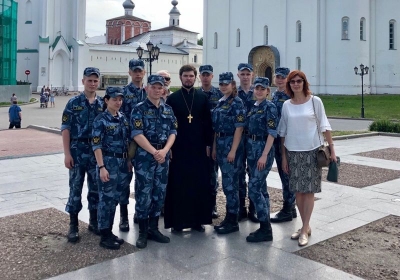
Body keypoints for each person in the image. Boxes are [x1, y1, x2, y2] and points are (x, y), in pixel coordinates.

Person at [278, 70, 337, 246]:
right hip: (293, 151)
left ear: (304, 83)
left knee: (309, 191)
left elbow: (325, 125)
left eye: (299, 81)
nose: (296, 84)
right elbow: (283, 132)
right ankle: (305, 226)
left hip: (312, 151)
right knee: (298, 191)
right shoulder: (287, 105)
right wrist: (283, 157)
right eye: (293, 82)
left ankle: (304, 228)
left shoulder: (314, 101)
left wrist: (332, 149)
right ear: (289, 85)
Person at [164, 65, 213, 232]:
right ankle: (178, 222)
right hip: (178, 148)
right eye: (185, 76)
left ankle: (197, 221)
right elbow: (169, 124)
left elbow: (208, 123)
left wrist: (208, 144)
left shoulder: (202, 97)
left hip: (199, 148)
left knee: (198, 183)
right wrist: (168, 147)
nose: (188, 79)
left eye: (191, 76)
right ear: (180, 77)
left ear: (195, 77)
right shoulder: (173, 99)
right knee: (178, 184)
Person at [130, 75, 177, 248]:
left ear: (164, 90)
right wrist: (154, 151)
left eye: (160, 87)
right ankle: (143, 232)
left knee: (159, 193)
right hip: (145, 157)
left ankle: (153, 228)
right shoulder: (139, 109)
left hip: (163, 156)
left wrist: (164, 151)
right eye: (154, 87)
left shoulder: (168, 110)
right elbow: (136, 133)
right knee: (144, 193)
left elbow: (173, 131)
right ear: (147, 88)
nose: (157, 90)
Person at [61, 67, 104, 243]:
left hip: (95, 153)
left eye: (95, 80)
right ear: (83, 81)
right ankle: (73, 226)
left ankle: (93, 222)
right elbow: (65, 129)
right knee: (75, 188)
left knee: (95, 189)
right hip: (77, 151)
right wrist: (67, 154)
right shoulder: (73, 103)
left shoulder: (102, 104)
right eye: (89, 80)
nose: (92, 83)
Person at [92, 87, 130, 250]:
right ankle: (104, 234)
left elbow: (127, 141)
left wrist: (128, 160)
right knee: (105, 200)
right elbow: (96, 144)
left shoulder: (123, 118)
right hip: (107, 163)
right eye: (114, 99)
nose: (118, 102)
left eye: (120, 99)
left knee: (114, 199)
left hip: (122, 164)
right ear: (106, 100)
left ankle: (109, 232)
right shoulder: (100, 120)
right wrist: (101, 167)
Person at [212, 72, 246, 234]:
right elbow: (216, 128)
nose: (224, 86)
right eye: (221, 84)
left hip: (231, 147)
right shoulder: (220, 102)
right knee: (227, 184)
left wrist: (233, 150)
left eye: (227, 84)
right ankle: (229, 217)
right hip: (220, 145)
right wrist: (213, 147)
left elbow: (239, 128)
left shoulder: (236, 103)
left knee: (230, 184)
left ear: (233, 85)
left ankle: (233, 219)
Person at [245, 77, 278, 242]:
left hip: (262, 151)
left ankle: (265, 228)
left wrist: (265, 154)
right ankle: (266, 225)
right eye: (256, 88)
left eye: (262, 89)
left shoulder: (269, 107)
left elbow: (272, 132)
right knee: (261, 188)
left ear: (267, 91)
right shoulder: (254, 106)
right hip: (252, 151)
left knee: (254, 189)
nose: (258, 91)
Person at [119, 59, 147, 231]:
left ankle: (139, 212)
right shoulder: (122, 93)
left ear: (144, 72)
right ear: (129, 72)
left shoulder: (149, 91)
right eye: (134, 71)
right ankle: (123, 216)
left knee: (142, 180)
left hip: (145, 143)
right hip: (128, 143)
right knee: (124, 181)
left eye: (140, 71)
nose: (137, 73)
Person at [270, 67, 297, 223]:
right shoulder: (275, 94)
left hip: (285, 141)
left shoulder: (289, 96)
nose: (280, 79)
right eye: (278, 76)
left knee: (286, 174)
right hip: (276, 139)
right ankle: (291, 208)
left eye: (283, 77)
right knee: (283, 173)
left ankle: (288, 208)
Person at [199, 64, 223, 219]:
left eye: (208, 74)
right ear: (200, 77)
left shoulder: (219, 94)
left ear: (212, 76)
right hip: (200, 140)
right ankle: (200, 204)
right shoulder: (195, 94)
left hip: (216, 139)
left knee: (213, 174)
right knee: (201, 174)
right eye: (203, 75)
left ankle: (212, 205)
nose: (206, 77)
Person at [236, 63, 258, 222]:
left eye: (247, 74)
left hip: (252, 139)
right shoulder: (234, 94)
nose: (245, 77)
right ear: (238, 75)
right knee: (238, 173)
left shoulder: (257, 93)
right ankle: (240, 208)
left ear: (252, 75)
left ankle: (254, 208)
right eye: (242, 74)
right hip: (237, 138)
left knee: (253, 173)